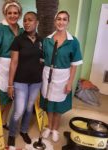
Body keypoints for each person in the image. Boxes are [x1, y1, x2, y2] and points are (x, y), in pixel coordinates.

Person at [40, 10, 83, 142]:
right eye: (59, 19)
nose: (61, 22)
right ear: (55, 21)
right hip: (48, 75)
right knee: (48, 103)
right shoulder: (47, 40)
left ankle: (55, 129)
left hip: (63, 76)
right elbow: (42, 60)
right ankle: (48, 127)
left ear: (68, 22)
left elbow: (74, 64)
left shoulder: (73, 41)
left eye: (64, 19)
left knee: (58, 105)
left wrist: (70, 82)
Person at [7, 12, 43, 149]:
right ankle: (11, 134)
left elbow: (43, 59)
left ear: (37, 22)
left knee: (29, 108)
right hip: (20, 81)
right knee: (19, 110)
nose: (27, 23)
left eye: (30, 20)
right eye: (25, 20)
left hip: (36, 81)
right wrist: (10, 84)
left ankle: (24, 131)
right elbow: (13, 63)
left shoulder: (42, 40)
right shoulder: (18, 40)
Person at [0, 0, 23, 130]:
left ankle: (3, 121)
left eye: (15, 13)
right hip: (3, 66)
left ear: (19, 14)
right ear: (5, 13)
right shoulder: (0, 28)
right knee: (1, 98)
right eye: (9, 13)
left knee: (10, 97)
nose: (13, 15)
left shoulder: (21, 30)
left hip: (18, 67)